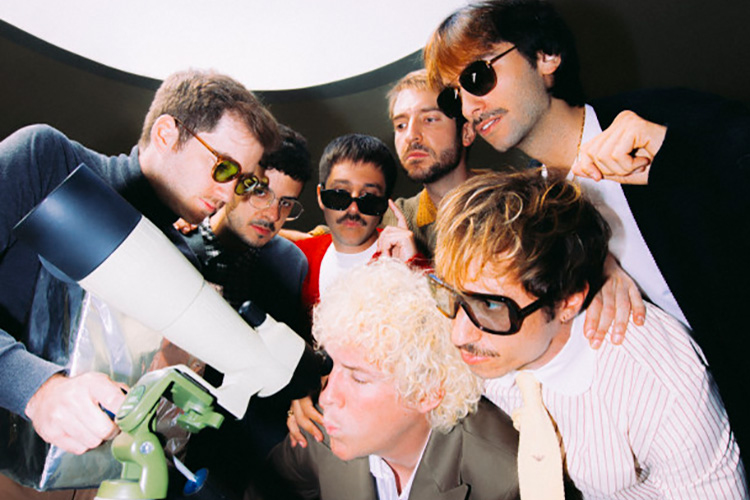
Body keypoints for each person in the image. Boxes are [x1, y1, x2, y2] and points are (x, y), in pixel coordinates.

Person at [424, 0, 750, 451]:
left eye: (477, 77)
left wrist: (674, 154)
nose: (468, 106)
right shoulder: (532, 216)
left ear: (546, 56)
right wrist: (595, 266)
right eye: (452, 97)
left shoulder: (661, 122)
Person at [0, 68, 279, 463]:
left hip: (99, 474)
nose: (229, 194)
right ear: (166, 134)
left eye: (244, 182)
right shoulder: (46, 163)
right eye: (224, 168)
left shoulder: (184, 263)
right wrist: (36, 389)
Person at [431, 169, 747, 497]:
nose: (459, 335)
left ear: (568, 301)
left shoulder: (660, 385)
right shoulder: (480, 338)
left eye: (492, 306)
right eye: (453, 295)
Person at [263, 259, 519, 500]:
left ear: (426, 391)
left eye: (358, 378)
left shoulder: (508, 481)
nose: (327, 397)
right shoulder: (321, 429)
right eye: (330, 365)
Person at [182, 124, 311, 334]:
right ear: (233, 181)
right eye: (260, 192)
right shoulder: (176, 239)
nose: (273, 215)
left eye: (286, 203)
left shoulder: (290, 264)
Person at [296, 133, 412, 312]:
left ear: (385, 204)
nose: (353, 210)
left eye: (369, 199)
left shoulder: (404, 259)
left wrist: (410, 270)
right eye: (339, 195)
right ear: (320, 196)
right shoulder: (298, 258)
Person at [379, 69, 478, 260]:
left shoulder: (512, 206)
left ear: (466, 133)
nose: (410, 136)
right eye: (401, 125)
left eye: (429, 119)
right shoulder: (397, 216)